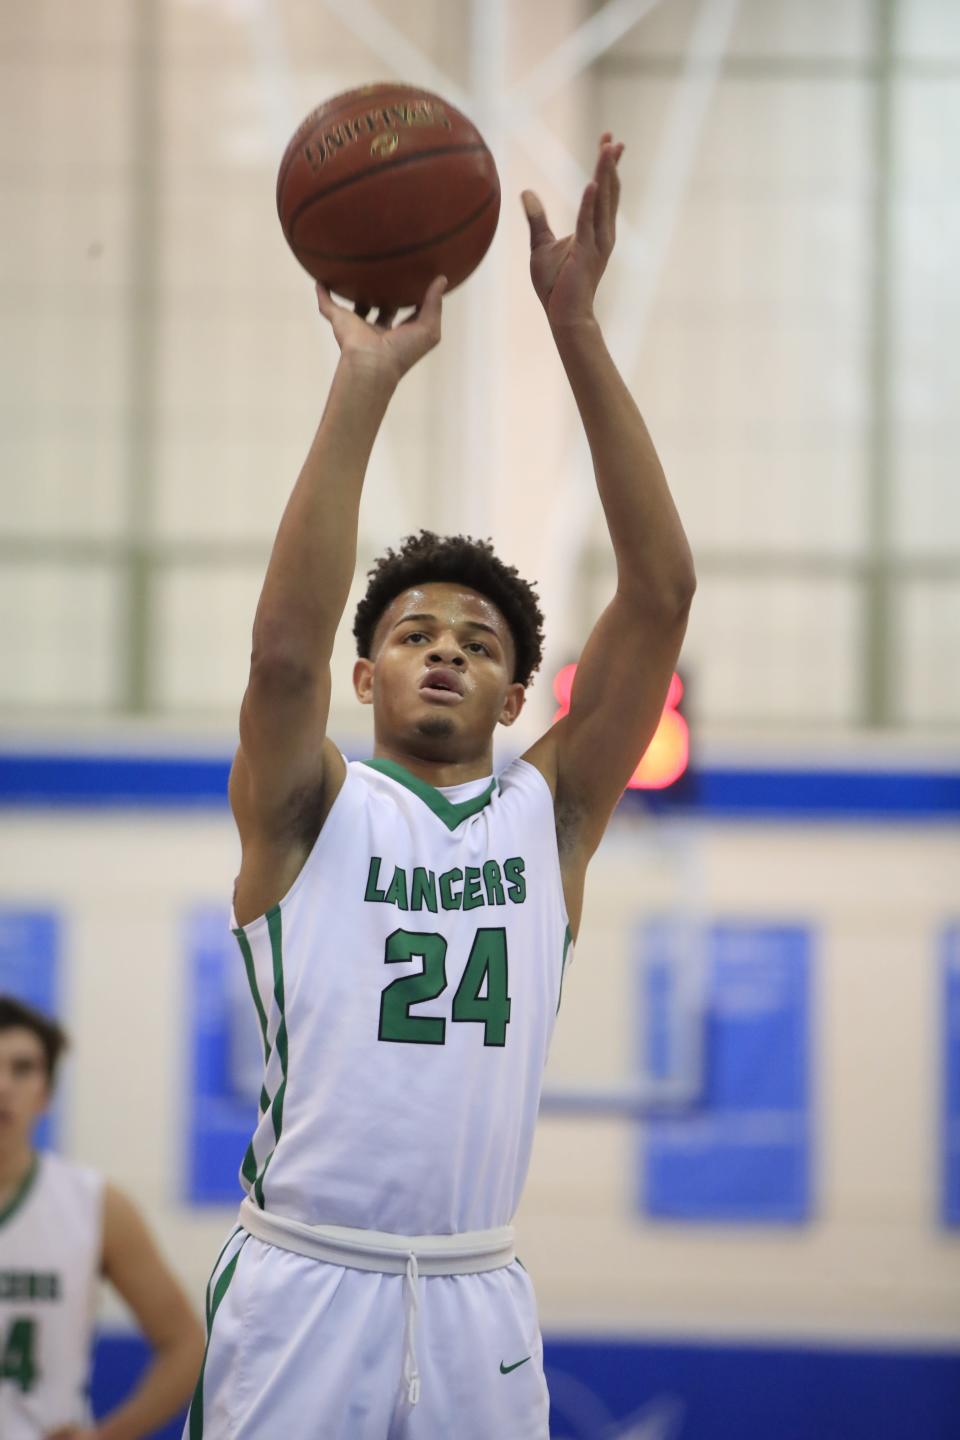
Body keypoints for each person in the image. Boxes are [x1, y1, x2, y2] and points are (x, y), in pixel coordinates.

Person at [189, 134, 695, 1439]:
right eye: (415, 632)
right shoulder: (309, 812)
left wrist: (574, 325)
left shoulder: (554, 813)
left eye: (480, 642)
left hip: (477, 1294)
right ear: (367, 678)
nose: (447, 651)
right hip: (304, 1278)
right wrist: (363, 380)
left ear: (520, 698)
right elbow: (282, 652)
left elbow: (660, 596)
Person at [0, 995, 205, 1439]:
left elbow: (186, 1346)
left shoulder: (95, 1205)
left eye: (22, 1068)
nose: (3, 1086)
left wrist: (107, 1436)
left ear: (47, 1093)